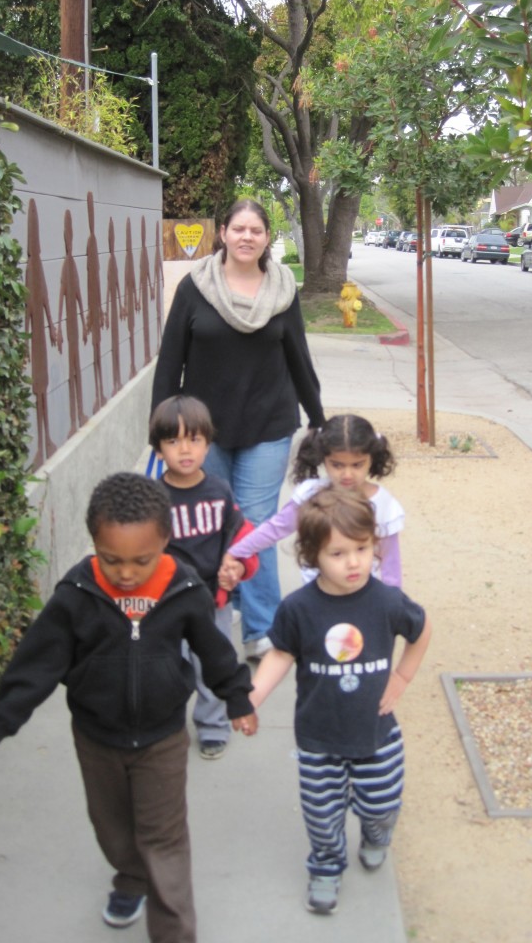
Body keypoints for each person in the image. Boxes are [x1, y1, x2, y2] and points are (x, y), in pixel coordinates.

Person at [0, 472, 258, 943]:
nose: (125, 573)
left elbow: (213, 648)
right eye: (111, 558)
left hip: (161, 737)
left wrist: (236, 696)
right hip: (97, 739)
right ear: (94, 541)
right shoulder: (77, 595)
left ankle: (174, 932)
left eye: (141, 560)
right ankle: (130, 877)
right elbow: (37, 666)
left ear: (165, 540)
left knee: (164, 838)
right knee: (113, 829)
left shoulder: (183, 590)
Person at [151, 199, 325, 661]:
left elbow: (299, 360)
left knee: (257, 525)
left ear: (267, 238)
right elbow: (170, 361)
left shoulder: (283, 291)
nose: (247, 237)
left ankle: (260, 629)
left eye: (256, 230)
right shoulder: (196, 288)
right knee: (211, 526)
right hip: (202, 432)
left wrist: (320, 420)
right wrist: (161, 429)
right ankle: (210, 617)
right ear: (222, 233)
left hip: (268, 425)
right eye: (238, 228)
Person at [248, 487, 431, 916]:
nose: (353, 562)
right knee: (321, 813)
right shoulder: (298, 609)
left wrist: (402, 677)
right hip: (319, 736)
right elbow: (281, 653)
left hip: (377, 732)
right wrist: (251, 698)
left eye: (362, 549)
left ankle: (376, 833)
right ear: (311, 557)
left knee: (383, 802)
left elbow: (421, 631)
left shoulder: (387, 601)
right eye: (338, 553)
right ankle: (326, 866)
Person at [149, 394, 259, 760]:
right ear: (158, 448)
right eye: (173, 440)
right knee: (167, 669)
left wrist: (239, 566)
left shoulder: (219, 491)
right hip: (166, 605)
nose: (185, 449)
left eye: (194, 439)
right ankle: (165, 728)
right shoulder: (153, 499)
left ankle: (212, 727)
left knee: (213, 664)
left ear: (208, 444)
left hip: (214, 601)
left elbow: (240, 536)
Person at [222, 413, 404, 590]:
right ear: (323, 459)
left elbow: (390, 566)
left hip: (365, 597)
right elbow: (274, 528)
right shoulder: (310, 495)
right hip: (316, 595)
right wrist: (236, 551)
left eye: (357, 464)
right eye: (337, 465)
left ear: (371, 459)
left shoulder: (383, 505)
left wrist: (395, 609)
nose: (347, 474)